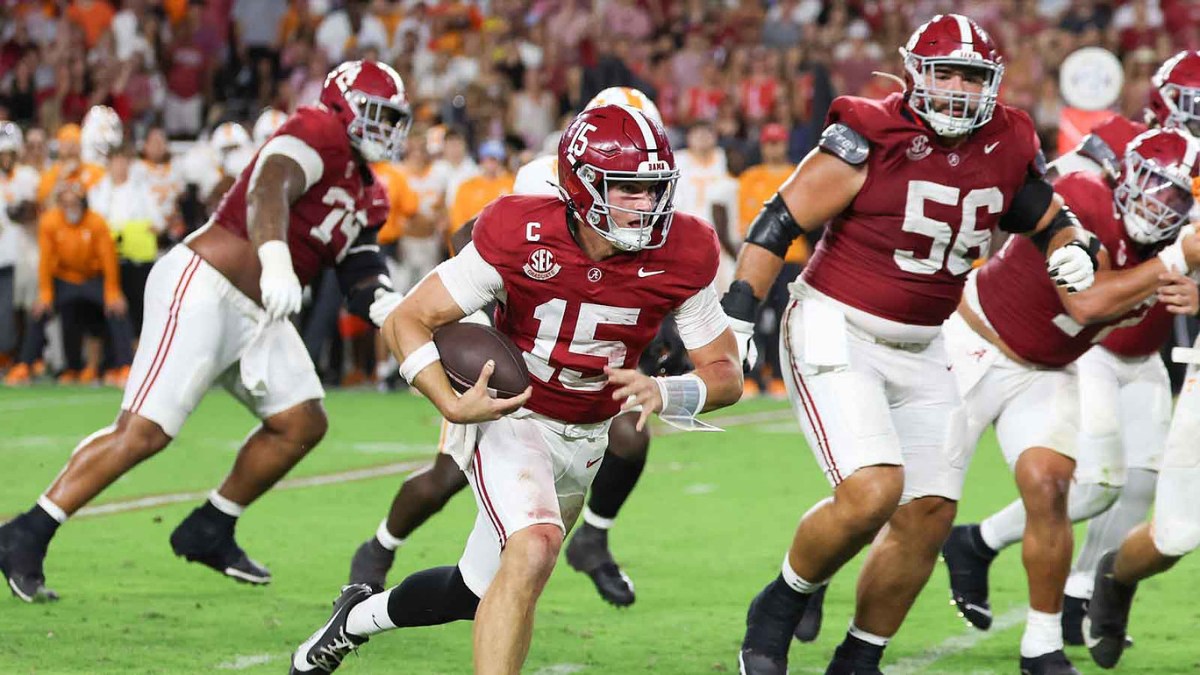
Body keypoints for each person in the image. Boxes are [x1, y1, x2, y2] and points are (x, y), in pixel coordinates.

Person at [292, 104, 742, 675]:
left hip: (589, 435)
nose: (645, 205)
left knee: (472, 592)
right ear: (582, 184)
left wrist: (666, 389)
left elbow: (727, 372)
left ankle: (354, 620)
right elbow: (409, 318)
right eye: (628, 189)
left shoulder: (684, 249)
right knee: (534, 547)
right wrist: (449, 400)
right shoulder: (519, 229)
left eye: (653, 190)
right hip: (514, 414)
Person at [730, 14, 1098, 675]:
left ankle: (859, 657)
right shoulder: (869, 133)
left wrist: (1075, 253)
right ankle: (783, 600)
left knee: (927, 510)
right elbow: (776, 223)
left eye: (973, 76)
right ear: (913, 74)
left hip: (926, 343)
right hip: (834, 325)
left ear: (994, 83)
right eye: (945, 72)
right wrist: (737, 313)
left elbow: (1050, 220)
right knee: (873, 490)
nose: (957, 88)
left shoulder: (1008, 139)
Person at [0, 60, 412, 602]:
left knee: (302, 422)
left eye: (393, 118)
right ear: (344, 105)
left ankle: (211, 525)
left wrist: (393, 306)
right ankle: (27, 532)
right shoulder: (318, 129)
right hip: (206, 286)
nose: (387, 129)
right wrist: (276, 258)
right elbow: (269, 187)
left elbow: (360, 270)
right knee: (145, 432)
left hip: (262, 312)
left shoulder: (370, 192)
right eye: (377, 114)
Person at [941, 49, 1200, 645]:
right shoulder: (1122, 144)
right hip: (1090, 337)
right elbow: (1053, 207)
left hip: (1146, 339)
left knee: (1138, 481)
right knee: (1094, 481)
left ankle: (1085, 594)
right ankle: (986, 550)